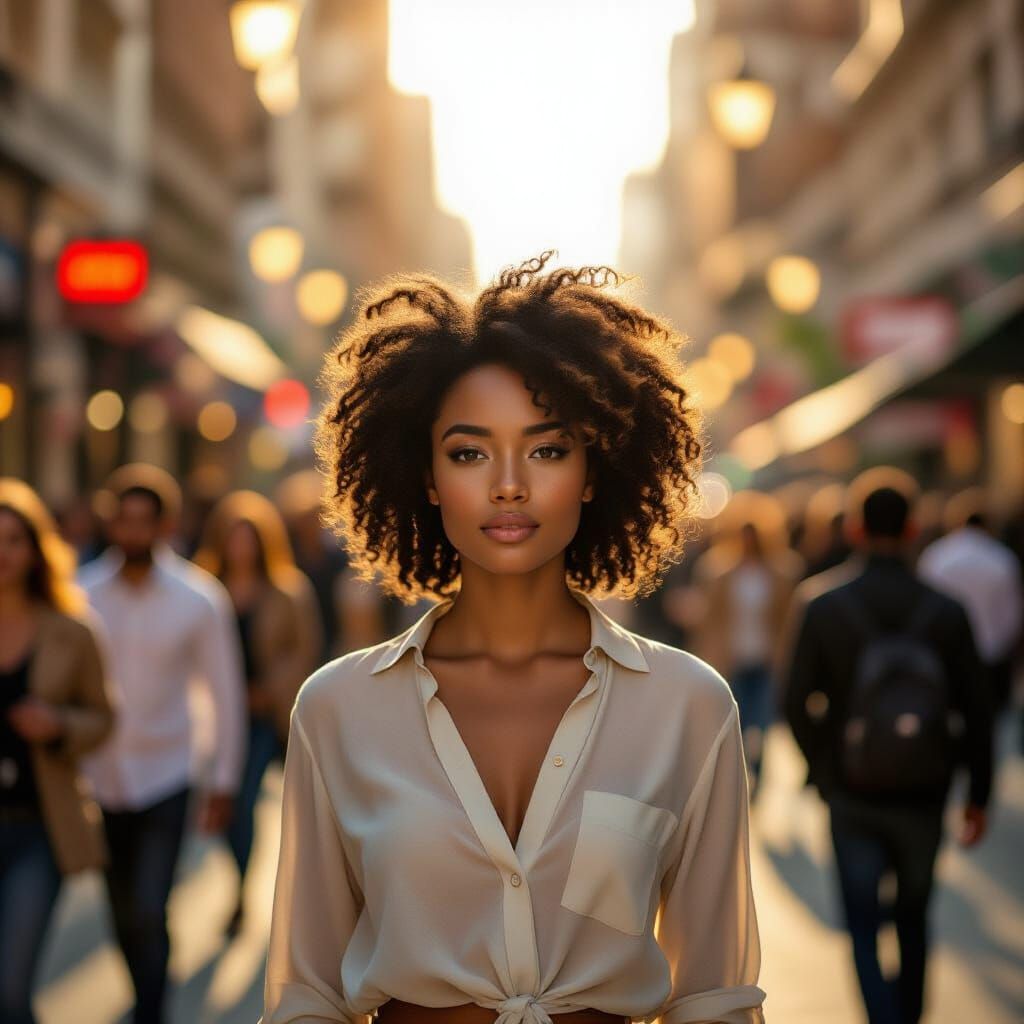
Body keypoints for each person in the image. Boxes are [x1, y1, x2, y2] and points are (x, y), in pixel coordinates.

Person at [261, 252, 765, 1024]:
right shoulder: (337, 710)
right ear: (426, 475)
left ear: (594, 469)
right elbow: (306, 997)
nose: (508, 483)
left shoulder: (688, 707)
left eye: (547, 448)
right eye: (468, 452)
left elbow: (714, 998)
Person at [781, 468, 993, 1024]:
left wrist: (822, 767)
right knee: (915, 915)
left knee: (861, 920)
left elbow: (794, 699)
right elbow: (977, 709)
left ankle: (881, 1016)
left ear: (853, 528)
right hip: (925, 788)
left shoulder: (823, 604)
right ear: (914, 527)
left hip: (851, 790)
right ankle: (911, 1014)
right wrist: (979, 795)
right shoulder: (946, 610)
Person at [78, 463, 246, 1024]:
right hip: (99, 779)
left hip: (168, 775)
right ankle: (146, 991)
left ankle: (151, 1012)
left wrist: (224, 782)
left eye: (143, 523)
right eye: (122, 522)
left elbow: (225, 695)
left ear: (165, 525)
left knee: (150, 908)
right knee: (123, 913)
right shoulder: (81, 595)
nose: (132, 534)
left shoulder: (198, 599)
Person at [0, 479, 116, 1024]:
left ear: (35, 549)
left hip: (37, 829)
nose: (2, 552)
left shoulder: (72, 629)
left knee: (10, 987)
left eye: (14, 540)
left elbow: (103, 717)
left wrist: (58, 723)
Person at [193, 489, 323, 936]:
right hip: (216, 716)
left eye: (248, 538)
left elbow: (303, 650)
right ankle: (238, 879)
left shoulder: (287, 590)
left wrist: (268, 691)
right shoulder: (206, 588)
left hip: (264, 716)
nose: (240, 547)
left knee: (245, 799)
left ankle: (242, 893)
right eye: (233, 537)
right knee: (222, 807)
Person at [691, 498, 803, 799]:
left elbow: (788, 620)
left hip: (766, 658)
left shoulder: (781, 572)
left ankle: (759, 775)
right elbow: (709, 620)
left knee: (763, 725)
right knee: (737, 726)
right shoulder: (718, 571)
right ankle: (740, 779)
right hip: (733, 659)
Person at [917, 487, 1023, 716]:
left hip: (945, 658)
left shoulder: (936, 556)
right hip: (991, 659)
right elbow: (1013, 616)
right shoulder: (1002, 559)